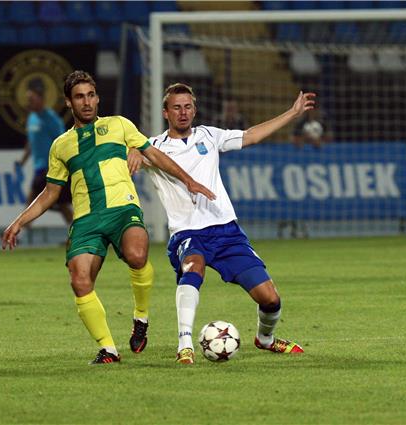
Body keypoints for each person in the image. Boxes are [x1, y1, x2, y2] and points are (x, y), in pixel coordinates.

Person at [2, 71, 215, 365]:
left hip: (123, 210)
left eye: (91, 95)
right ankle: (108, 349)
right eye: (79, 97)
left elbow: (153, 153)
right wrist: (19, 221)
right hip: (87, 220)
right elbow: (51, 192)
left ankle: (141, 317)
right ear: (68, 102)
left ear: (98, 98)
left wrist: (188, 180)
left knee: (137, 255)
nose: (87, 102)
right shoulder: (61, 146)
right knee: (79, 280)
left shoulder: (119, 125)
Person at [130, 83, 315, 364]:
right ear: (165, 112)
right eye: (177, 107)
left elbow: (251, 136)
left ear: (195, 109)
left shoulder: (209, 135)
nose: (183, 112)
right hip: (188, 233)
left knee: (271, 300)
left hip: (227, 231)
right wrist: (131, 150)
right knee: (194, 267)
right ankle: (185, 344)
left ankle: (265, 340)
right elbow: (121, 159)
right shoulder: (153, 147)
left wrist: (292, 113)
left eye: (188, 106)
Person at [17, 78, 73, 226]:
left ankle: (19, 232)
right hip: (39, 167)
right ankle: (76, 234)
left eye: (31, 99)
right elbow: (31, 142)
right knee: (60, 204)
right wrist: (23, 160)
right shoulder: (32, 118)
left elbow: (63, 141)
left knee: (34, 200)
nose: (29, 102)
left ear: (41, 99)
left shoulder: (52, 119)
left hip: (50, 168)